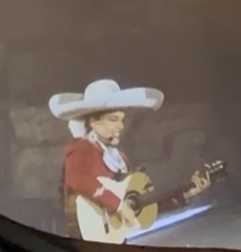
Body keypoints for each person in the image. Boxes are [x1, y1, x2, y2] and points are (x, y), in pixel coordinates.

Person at [50, 75, 213, 241]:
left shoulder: (120, 160)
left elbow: (137, 208)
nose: (121, 126)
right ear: (93, 122)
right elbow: (78, 179)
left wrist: (183, 195)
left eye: (122, 119)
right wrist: (118, 206)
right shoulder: (81, 149)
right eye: (113, 119)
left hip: (116, 241)